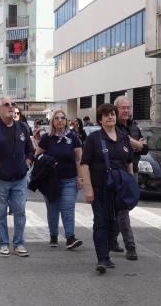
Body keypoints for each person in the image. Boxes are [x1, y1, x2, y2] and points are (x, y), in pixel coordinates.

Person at [79, 103, 132, 274]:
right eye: (106, 115)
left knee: (113, 223)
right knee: (100, 222)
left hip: (119, 189)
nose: (110, 117)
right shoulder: (94, 138)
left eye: (112, 114)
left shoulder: (123, 136)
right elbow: (85, 164)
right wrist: (89, 189)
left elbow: (129, 161)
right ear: (100, 119)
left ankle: (108, 252)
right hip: (100, 188)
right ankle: (102, 258)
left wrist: (130, 183)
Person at [0, 97, 34, 257]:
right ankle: (3, 243)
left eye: (12, 104)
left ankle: (18, 243)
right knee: (0, 213)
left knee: (20, 212)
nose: (11, 107)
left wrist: (27, 162)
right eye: (7, 105)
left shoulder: (22, 127)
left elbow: (30, 150)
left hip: (19, 179)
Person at [36, 109, 84, 250]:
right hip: (51, 180)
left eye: (62, 118)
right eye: (56, 118)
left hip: (69, 179)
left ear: (66, 121)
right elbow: (37, 156)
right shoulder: (47, 138)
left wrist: (80, 178)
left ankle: (70, 238)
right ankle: (53, 236)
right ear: (52, 121)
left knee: (68, 208)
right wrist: (48, 160)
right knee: (53, 209)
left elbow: (78, 159)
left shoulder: (73, 138)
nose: (60, 120)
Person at [113, 96, 147, 260]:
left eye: (128, 107)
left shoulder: (134, 126)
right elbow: (123, 141)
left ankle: (112, 238)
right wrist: (137, 144)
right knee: (123, 209)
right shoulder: (113, 126)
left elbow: (145, 148)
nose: (126, 110)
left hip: (133, 171)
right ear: (116, 109)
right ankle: (130, 246)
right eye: (122, 108)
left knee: (124, 208)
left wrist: (139, 145)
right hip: (119, 173)